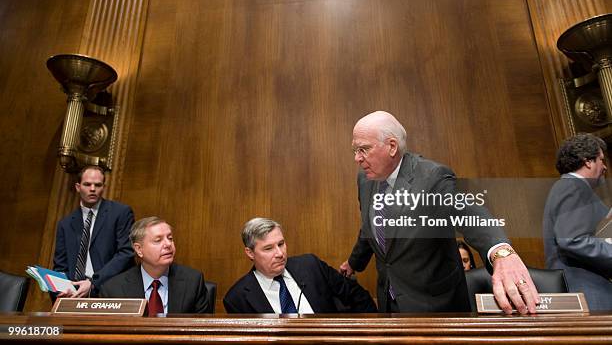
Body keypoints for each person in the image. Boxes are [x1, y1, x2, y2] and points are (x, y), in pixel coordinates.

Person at [339, 111, 539, 314]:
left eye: (363, 149)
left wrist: (501, 252)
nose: (357, 158)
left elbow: (468, 213)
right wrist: (354, 262)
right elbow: (372, 225)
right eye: (355, 150)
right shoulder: (365, 180)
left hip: (436, 308)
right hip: (390, 304)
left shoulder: (431, 177)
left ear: (392, 146)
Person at [223, 217, 377, 314]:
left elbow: (359, 297)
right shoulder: (237, 298)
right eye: (268, 248)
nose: (279, 253)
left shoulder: (311, 266)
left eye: (281, 244)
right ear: (250, 253)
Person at [543, 133, 612, 310]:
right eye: (601, 160)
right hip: (588, 292)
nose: (604, 167)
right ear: (588, 161)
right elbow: (572, 239)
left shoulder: (576, 189)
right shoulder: (572, 186)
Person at [53, 165, 134, 298]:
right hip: (74, 293)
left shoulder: (120, 213)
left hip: (109, 289)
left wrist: (93, 282)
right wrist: (64, 288)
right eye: (87, 184)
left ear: (104, 187)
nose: (92, 189)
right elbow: (60, 265)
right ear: (78, 187)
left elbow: (126, 253)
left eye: (97, 185)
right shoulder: (65, 224)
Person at [100, 217, 209, 315]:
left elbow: (202, 330)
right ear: (139, 249)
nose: (168, 244)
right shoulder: (113, 290)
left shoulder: (193, 282)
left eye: (170, 238)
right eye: (158, 240)